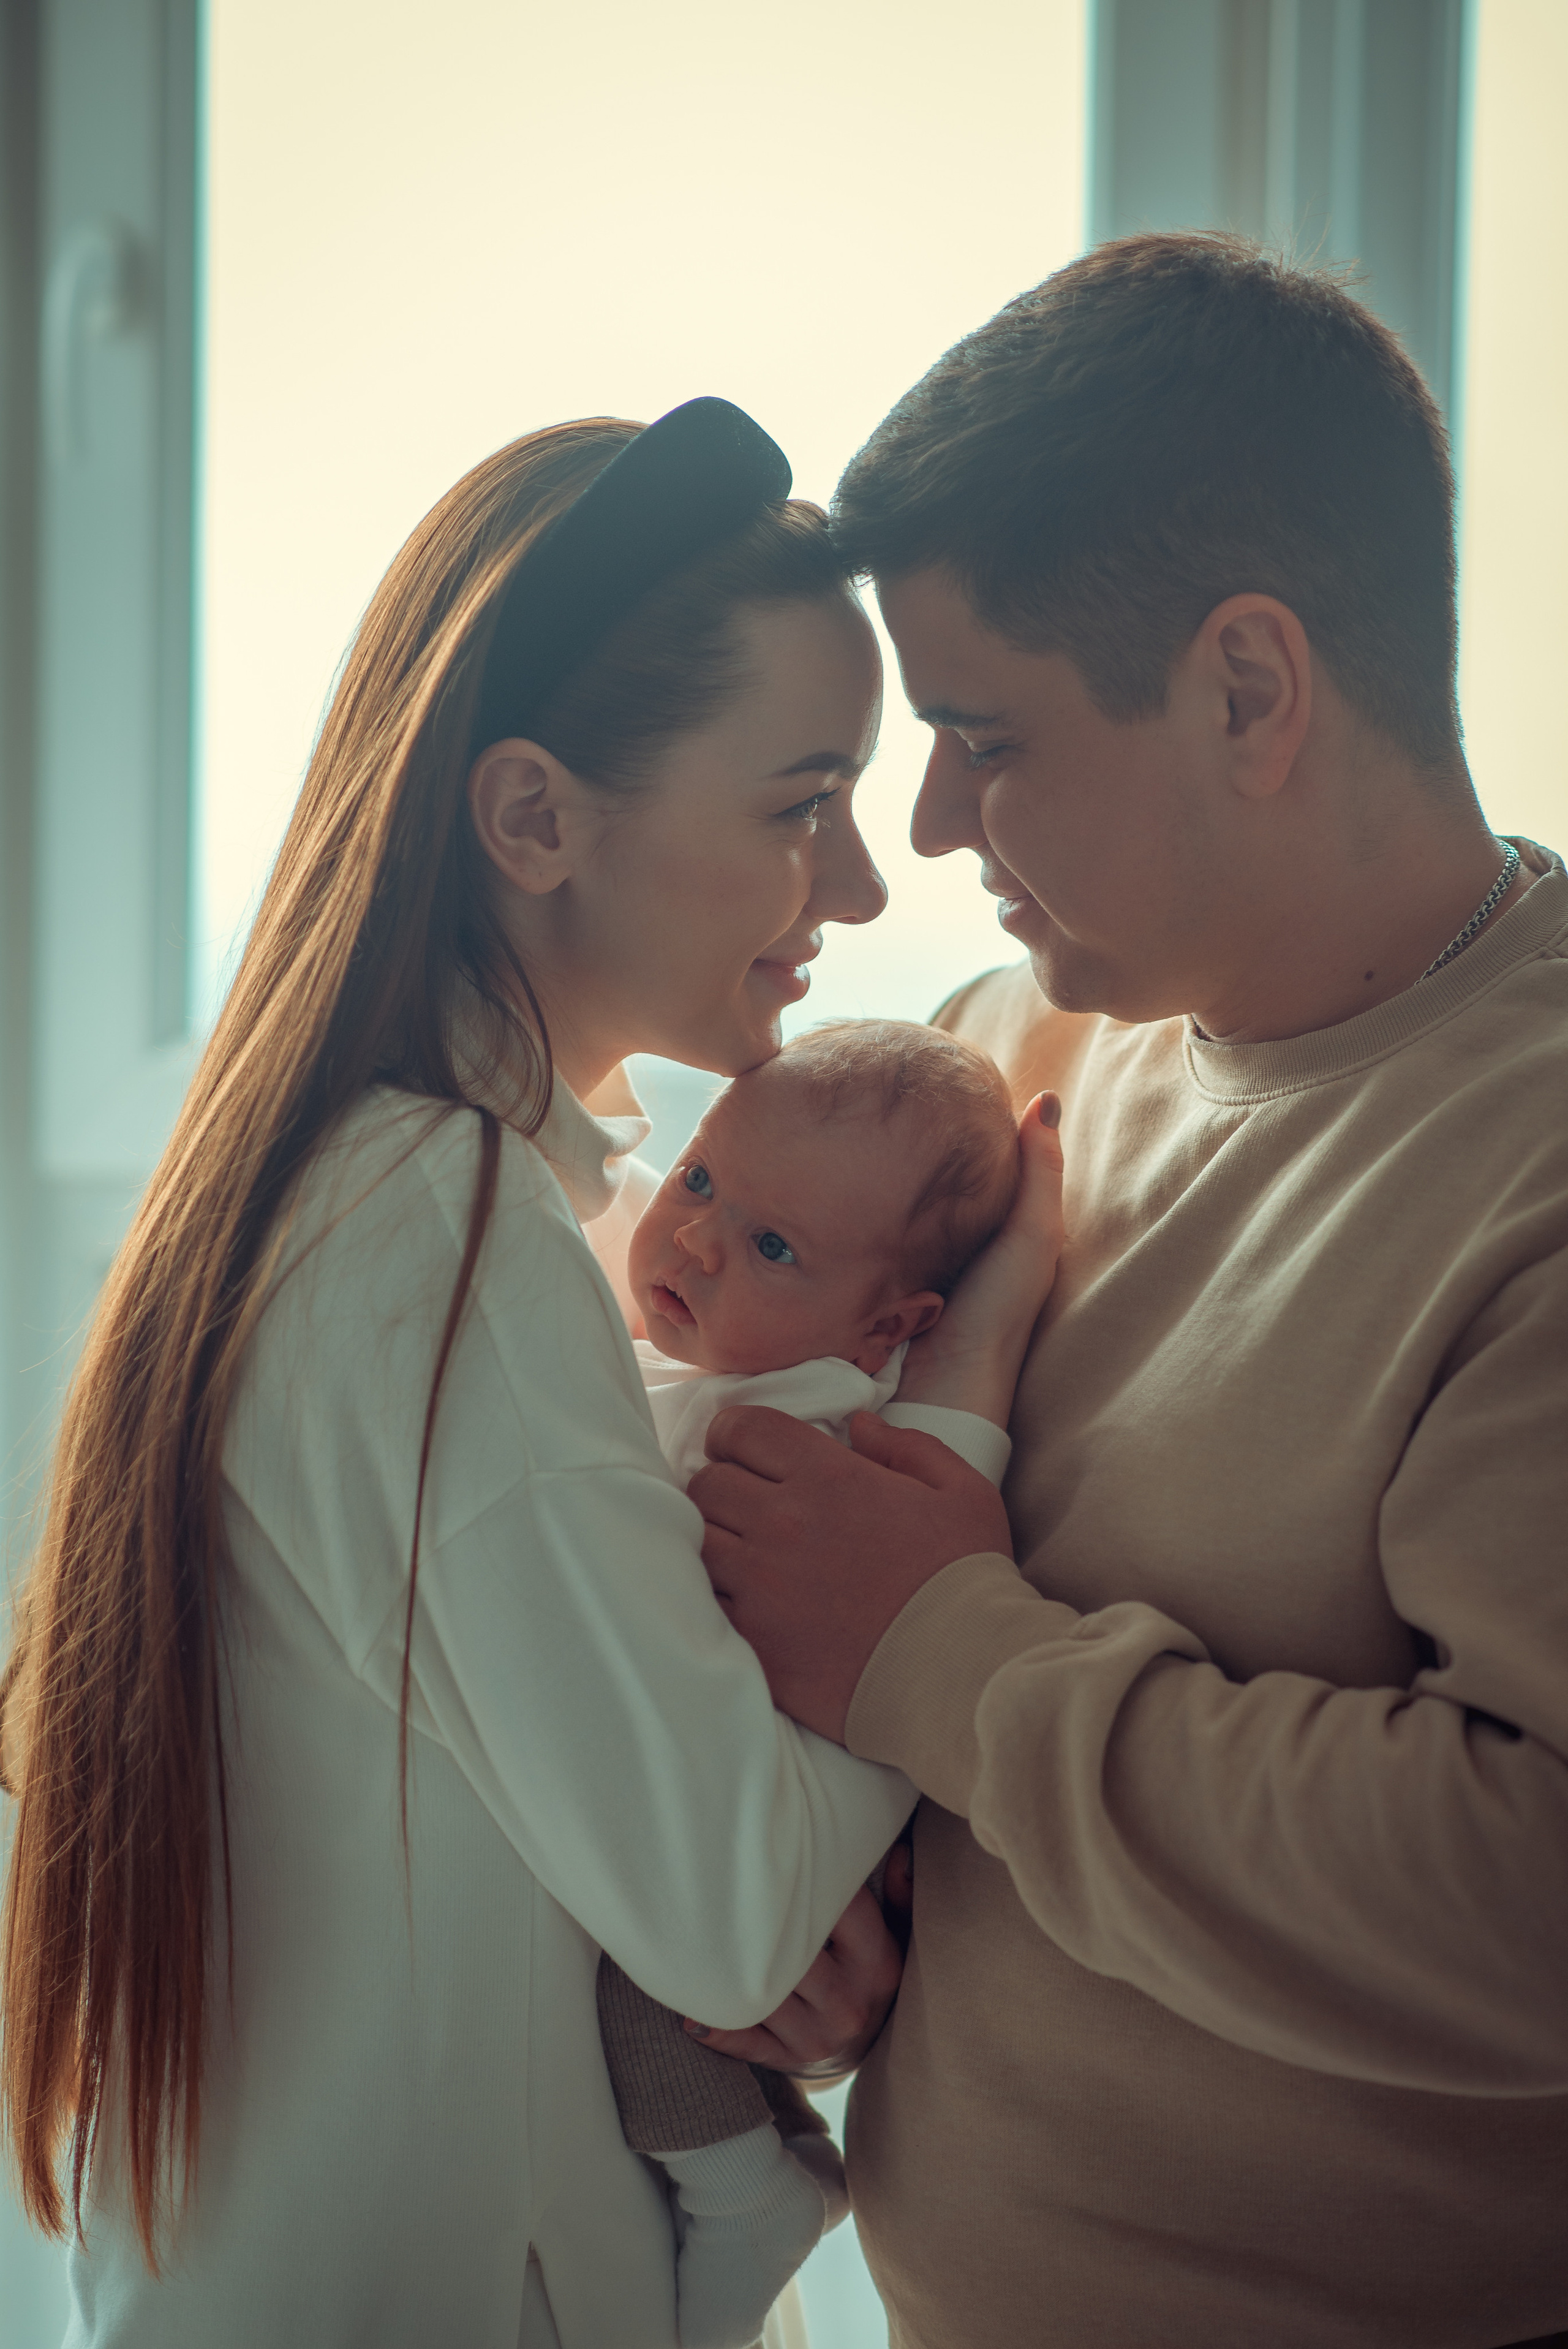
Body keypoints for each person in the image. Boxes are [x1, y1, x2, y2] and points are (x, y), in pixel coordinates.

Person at [691, 236, 1568, 2348]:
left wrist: (950, 1666)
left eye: (983, 736)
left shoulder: (1535, 1156)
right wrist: (806, 1905)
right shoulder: (1013, 1047)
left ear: (1251, 689)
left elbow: (1535, 1886)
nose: (922, 820)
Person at [0, 399, 927, 2349]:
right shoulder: (442, 1234)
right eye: (796, 802)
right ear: (532, 820)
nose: (853, 886)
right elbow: (733, 1905)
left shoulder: (369, 1186)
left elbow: (622, 1864)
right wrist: (961, 1464)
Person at [594, 1019, 1061, 2349]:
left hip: (793, 1813)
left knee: (647, 1996)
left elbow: (948, 1466)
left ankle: (742, 2188)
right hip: (716, 1792)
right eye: (697, 1184)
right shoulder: (693, 1350)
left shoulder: (837, 1406)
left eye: (771, 1247)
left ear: (888, 1325)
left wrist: (1005, 1301)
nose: (691, 1244)